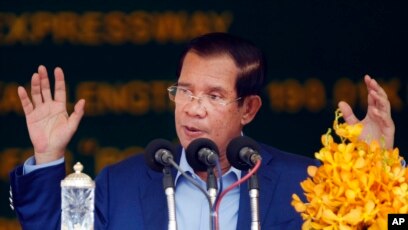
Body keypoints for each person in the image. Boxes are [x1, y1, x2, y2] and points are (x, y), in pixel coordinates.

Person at [9, 33, 395, 230]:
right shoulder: (119, 183)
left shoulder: (306, 182)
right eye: (185, 91)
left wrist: (373, 170)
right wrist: (46, 157)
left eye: (214, 95)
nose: (193, 108)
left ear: (248, 108)